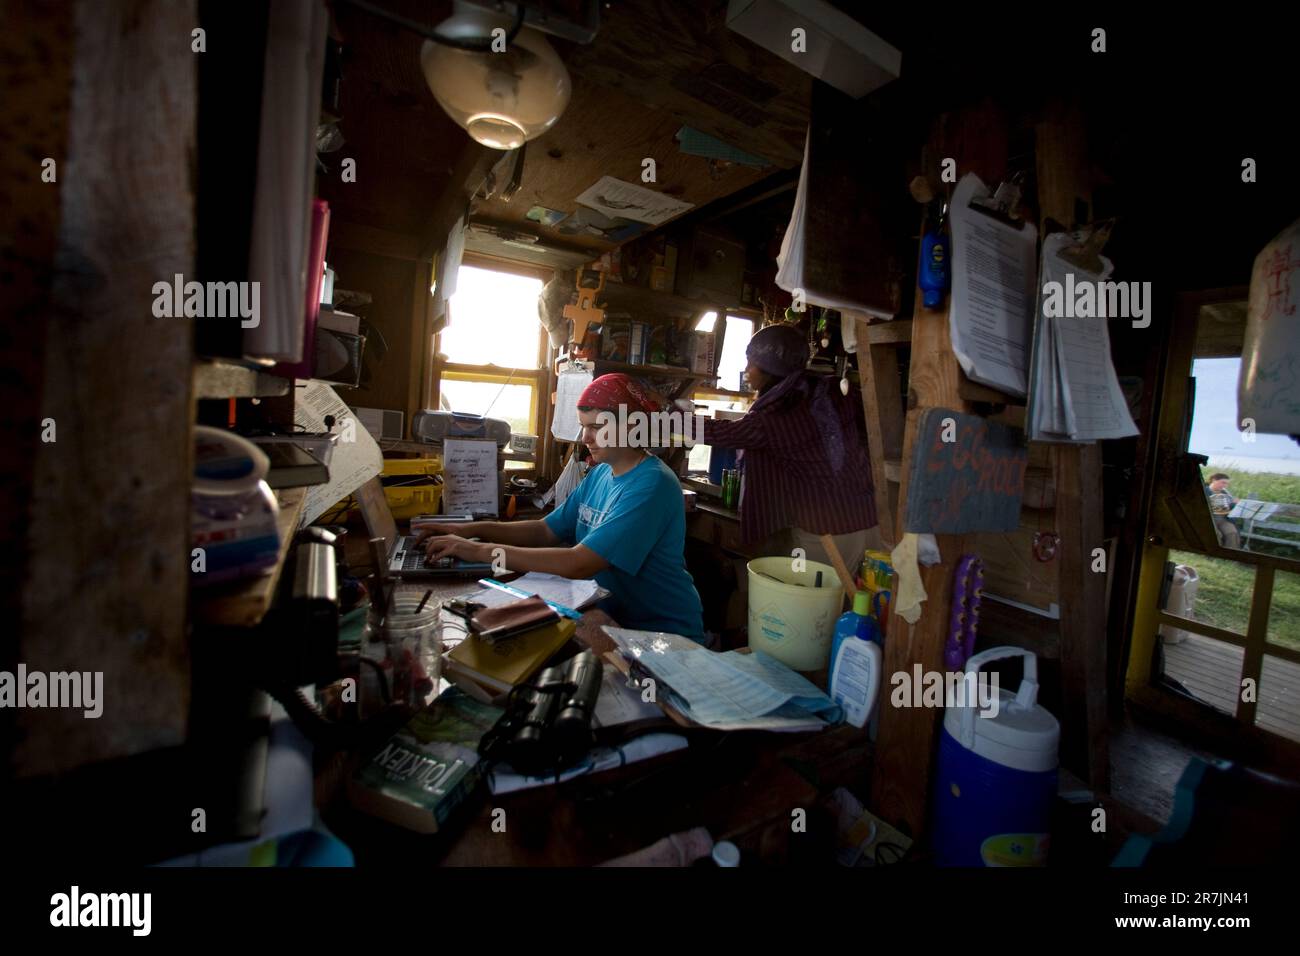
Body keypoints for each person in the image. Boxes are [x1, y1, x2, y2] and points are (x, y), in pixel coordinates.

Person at [420, 373, 705, 641]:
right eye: (584, 427)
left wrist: (477, 550)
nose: (585, 438)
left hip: (662, 635)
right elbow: (545, 530)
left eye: (597, 427)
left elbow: (579, 563)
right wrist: (468, 529)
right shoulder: (600, 474)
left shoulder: (652, 484)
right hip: (612, 620)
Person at [684, 323, 880, 566]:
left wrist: (665, 418)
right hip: (871, 520)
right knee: (860, 602)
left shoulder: (776, 412)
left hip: (829, 531)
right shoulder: (829, 388)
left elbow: (720, 432)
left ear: (769, 369)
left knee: (811, 603)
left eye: (750, 362)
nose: (746, 370)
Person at [1205, 472, 1241, 548]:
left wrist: (1236, 504)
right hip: (1208, 519)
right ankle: (1213, 554)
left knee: (1232, 532)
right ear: (1214, 480)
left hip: (1223, 519)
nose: (1225, 485)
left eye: (1226, 484)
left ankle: (1230, 555)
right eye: (1223, 483)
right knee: (1217, 534)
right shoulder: (1205, 490)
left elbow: (1230, 508)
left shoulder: (1225, 493)